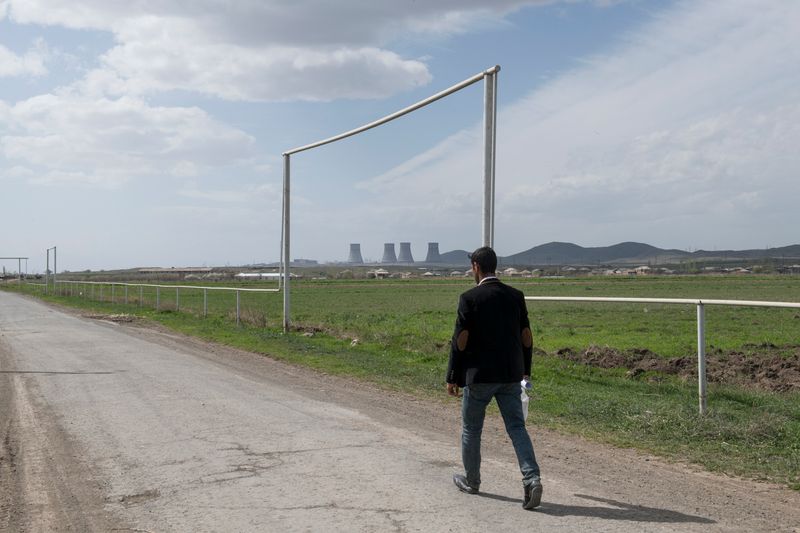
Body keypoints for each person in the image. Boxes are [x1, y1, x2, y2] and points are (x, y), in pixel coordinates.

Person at [445, 246, 543, 509]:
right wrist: (526, 371)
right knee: (517, 428)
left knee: (471, 429)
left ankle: (472, 480)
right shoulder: (515, 296)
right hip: (510, 375)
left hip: (478, 377)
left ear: (476, 266)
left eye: (471, 267)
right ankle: (532, 479)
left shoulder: (469, 298)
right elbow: (527, 337)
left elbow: (460, 342)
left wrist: (453, 376)